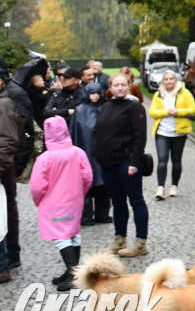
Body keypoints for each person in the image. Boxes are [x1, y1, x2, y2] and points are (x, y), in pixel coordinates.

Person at [29, 116, 92, 291]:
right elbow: (88, 177)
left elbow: (36, 185)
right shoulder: (78, 152)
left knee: (60, 236)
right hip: (75, 199)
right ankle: (73, 271)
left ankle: (72, 274)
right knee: (72, 232)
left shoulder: (45, 158)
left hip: (54, 203)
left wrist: (38, 200)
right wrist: (81, 192)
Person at [92, 73, 150, 257]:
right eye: (116, 85)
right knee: (117, 202)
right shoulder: (107, 106)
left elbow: (140, 137)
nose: (119, 88)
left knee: (136, 201)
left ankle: (140, 243)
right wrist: (97, 153)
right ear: (110, 87)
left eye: (123, 84)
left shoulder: (134, 106)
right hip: (108, 163)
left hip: (127, 163)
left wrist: (134, 162)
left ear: (129, 86)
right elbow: (99, 132)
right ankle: (120, 239)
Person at [149, 71, 195, 200]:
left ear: (175, 80)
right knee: (162, 159)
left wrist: (178, 112)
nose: (169, 81)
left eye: (171, 79)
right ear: (163, 81)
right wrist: (166, 112)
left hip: (178, 132)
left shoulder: (185, 93)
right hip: (162, 132)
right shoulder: (158, 94)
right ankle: (160, 187)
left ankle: (174, 186)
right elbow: (152, 112)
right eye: (166, 79)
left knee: (176, 161)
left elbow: (193, 110)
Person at [69, 82, 112, 226]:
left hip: (102, 152)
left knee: (103, 183)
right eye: (92, 93)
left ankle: (102, 214)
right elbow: (75, 133)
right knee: (86, 183)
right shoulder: (79, 111)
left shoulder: (105, 109)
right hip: (85, 151)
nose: (95, 96)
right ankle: (86, 216)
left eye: (97, 93)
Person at [0, 58, 26, 280]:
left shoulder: (7, 101)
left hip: (3, 168)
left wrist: (3, 168)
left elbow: (9, 139)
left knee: (4, 212)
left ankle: (6, 261)